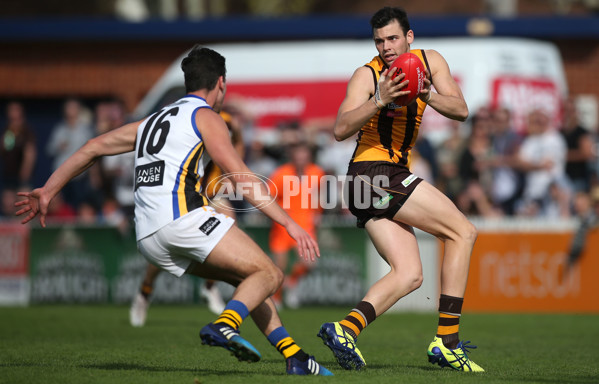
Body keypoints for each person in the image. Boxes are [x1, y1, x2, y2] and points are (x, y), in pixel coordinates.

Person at [15, 46, 332, 376]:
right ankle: (226, 324)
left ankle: (294, 357)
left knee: (249, 279)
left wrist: (48, 190)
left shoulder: (152, 121)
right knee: (270, 274)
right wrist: (290, 223)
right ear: (220, 83)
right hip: (182, 219)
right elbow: (241, 175)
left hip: (148, 237)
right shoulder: (207, 117)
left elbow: (93, 147)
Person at [316, 7, 484, 372]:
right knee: (463, 231)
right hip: (372, 174)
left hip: (375, 180)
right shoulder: (367, 74)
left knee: (410, 273)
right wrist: (378, 98)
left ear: (409, 37)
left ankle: (344, 330)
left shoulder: (430, 61)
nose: (386, 47)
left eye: (393, 38)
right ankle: (448, 341)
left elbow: (461, 110)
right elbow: (340, 129)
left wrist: (427, 94)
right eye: (380, 40)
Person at [129, 110, 242, 326]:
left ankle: (209, 287)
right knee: (164, 250)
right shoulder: (190, 121)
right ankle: (145, 291)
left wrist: (237, 134)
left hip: (210, 193)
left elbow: (236, 152)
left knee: (231, 228)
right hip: (186, 194)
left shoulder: (224, 120)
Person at [268, 142, 325, 308]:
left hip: (306, 225)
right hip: (283, 226)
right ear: (292, 157)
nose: (301, 159)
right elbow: (269, 196)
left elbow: (319, 196)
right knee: (280, 266)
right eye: (298, 156)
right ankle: (277, 298)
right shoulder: (281, 174)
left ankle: (291, 282)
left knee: (309, 264)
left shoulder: (317, 173)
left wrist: (318, 214)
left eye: (304, 156)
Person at [0, 101, 37, 190]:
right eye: (10, 110)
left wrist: (25, 172)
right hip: (9, 174)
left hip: (23, 177)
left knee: (23, 199)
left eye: (15, 110)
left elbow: (30, 154)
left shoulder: (27, 132)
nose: (12, 113)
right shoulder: (7, 131)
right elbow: (4, 148)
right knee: (8, 201)